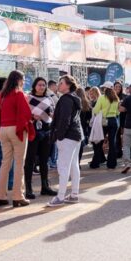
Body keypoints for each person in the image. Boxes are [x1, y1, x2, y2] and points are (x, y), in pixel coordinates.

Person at [0, 71, 34, 207]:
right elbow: (26, 114)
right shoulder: (19, 94)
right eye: (23, 80)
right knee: (19, 163)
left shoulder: (2, 96)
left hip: (3, 130)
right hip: (16, 130)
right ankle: (18, 196)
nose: (24, 82)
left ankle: (0, 196)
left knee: (5, 163)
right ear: (18, 80)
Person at [47, 75, 84, 207]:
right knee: (73, 166)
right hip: (76, 135)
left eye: (61, 83)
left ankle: (60, 196)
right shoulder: (74, 98)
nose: (59, 85)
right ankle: (74, 194)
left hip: (68, 136)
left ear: (68, 85)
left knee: (63, 167)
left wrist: (59, 135)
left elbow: (64, 119)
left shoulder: (66, 99)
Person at [27, 78, 56, 198]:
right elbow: (23, 114)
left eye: (44, 85)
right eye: (39, 85)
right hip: (32, 131)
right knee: (30, 160)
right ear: (34, 86)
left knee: (44, 160)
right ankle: (28, 188)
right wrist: (32, 117)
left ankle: (45, 186)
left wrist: (51, 114)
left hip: (46, 131)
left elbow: (53, 113)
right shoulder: (28, 98)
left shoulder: (49, 99)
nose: (42, 87)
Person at [91, 82, 120, 169]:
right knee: (112, 143)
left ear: (105, 88)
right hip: (114, 121)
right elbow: (118, 112)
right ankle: (112, 164)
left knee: (98, 142)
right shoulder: (116, 98)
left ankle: (95, 163)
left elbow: (95, 110)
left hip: (104, 121)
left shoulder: (102, 98)